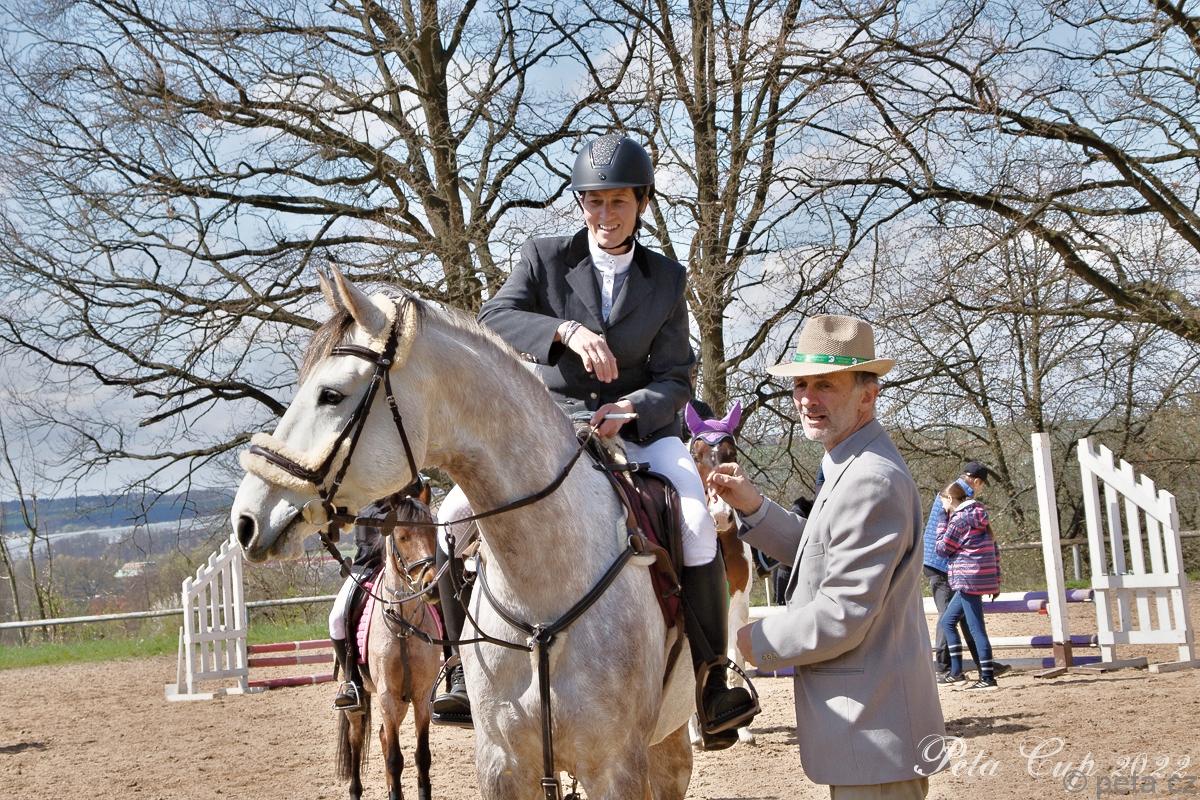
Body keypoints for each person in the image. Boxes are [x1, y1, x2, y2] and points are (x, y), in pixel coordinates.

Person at [434, 132, 759, 750]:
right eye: (594, 202)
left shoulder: (667, 278)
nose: (605, 215)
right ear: (581, 204)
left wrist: (632, 407)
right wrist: (564, 330)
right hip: (551, 426)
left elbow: (676, 378)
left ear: (641, 203)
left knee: (695, 520)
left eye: (618, 202)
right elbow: (493, 318)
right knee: (450, 518)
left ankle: (714, 680)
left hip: (638, 431)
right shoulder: (544, 257)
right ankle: (456, 670)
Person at [709, 314, 946, 798]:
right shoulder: (849, 463)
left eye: (825, 385)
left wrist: (750, 641)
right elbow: (820, 553)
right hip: (866, 735)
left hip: (873, 736)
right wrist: (754, 508)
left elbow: (843, 613)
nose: (807, 399)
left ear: (868, 395)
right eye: (800, 384)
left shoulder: (870, 479)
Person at [923, 461, 1007, 682]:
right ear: (977, 481)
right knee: (949, 617)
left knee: (959, 617)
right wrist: (993, 575)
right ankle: (945, 667)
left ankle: (980, 666)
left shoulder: (953, 492)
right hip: (944, 564)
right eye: (982, 485)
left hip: (952, 565)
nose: (981, 490)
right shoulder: (962, 499)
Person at [328, 497, 389, 711]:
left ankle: (454, 675)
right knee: (336, 619)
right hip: (365, 568)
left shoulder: (405, 500)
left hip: (407, 569)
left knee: (440, 603)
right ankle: (352, 681)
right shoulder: (361, 500)